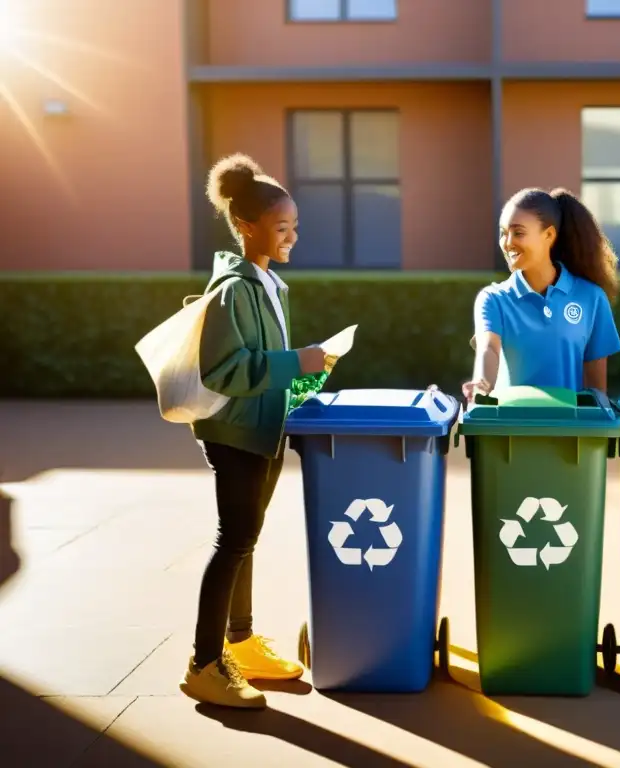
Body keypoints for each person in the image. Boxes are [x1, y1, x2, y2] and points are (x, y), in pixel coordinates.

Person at [180, 153, 327, 709]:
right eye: (282, 227)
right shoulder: (233, 289)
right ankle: (203, 664)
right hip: (235, 433)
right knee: (232, 541)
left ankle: (239, 643)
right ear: (247, 226)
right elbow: (227, 370)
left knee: (246, 539)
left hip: (264, 429)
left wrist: (311, 374)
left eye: (295, 226)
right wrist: (297, 362)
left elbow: (271, 366)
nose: (292, 236)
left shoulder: (270, 284)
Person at [463, 187, 620, 399]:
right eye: (503, 233)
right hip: (507, 428)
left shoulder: (591, 298)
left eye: (518, 232)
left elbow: (596, 390)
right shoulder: (493, 299)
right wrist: (481, 385)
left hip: (570, 429)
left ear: (548, 235)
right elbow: (489, 347)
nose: (507, 243)